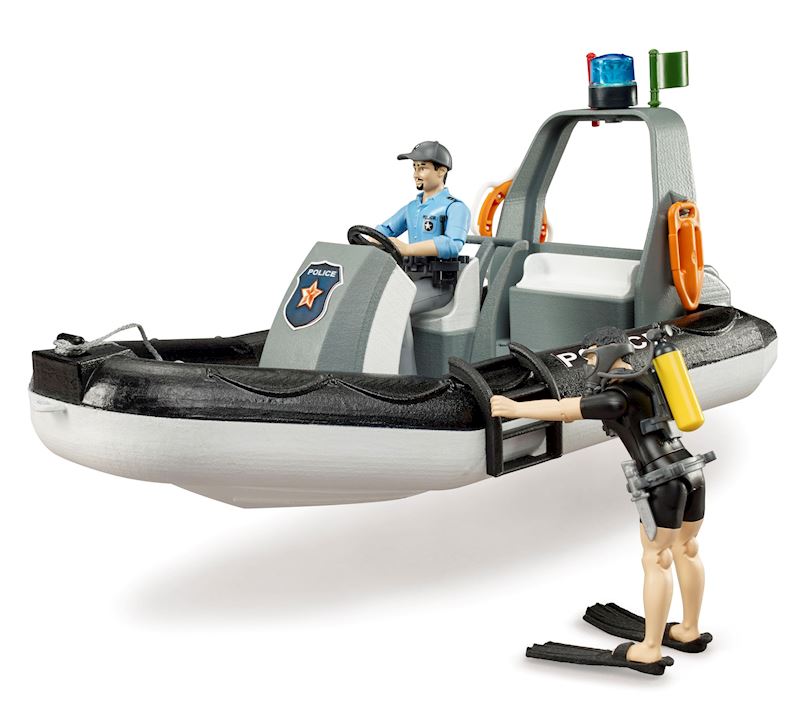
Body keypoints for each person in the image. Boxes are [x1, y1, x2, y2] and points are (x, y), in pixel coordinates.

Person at [490, 326, 713, 674]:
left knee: (657, 559)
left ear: (607, 353)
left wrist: (515, 408)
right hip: (692, 470)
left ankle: (649, 649)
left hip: (663, 480)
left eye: (591, 356)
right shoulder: (647, 379)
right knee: (688, 549)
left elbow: (564, 410)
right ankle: (689, 630)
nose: (589, 364)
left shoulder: (616, 397)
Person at [376, 141, 470, 315]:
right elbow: (385, 230)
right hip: (408, 275)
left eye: (422, 168)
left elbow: (452, 244)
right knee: (373, 298)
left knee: (395, 306)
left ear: (441, 171)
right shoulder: (412, 207)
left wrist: (408, 249)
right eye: (414, 167)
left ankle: (402, 335)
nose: (415, 174)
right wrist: (366, 239)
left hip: (437, 283)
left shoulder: (455, 207)